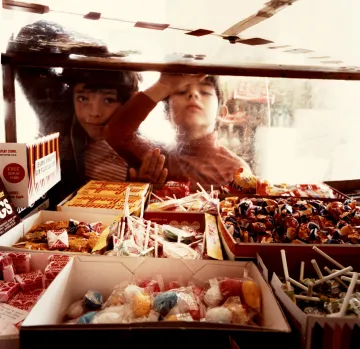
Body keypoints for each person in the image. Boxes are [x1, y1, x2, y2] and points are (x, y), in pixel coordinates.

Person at [104, 73, 251, 189]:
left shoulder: (236, 169)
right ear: (168, 113)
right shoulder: (156, 158)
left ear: (222, 113)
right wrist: (162, 86)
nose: (193, 95)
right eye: (181, 91)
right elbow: (116, 132)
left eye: (205, 92)